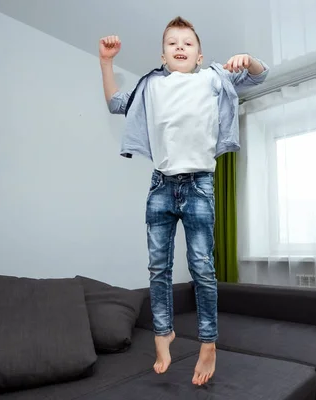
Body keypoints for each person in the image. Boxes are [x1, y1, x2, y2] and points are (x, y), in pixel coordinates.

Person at [98, 17, 269, 386]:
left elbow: (259, 75)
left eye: (187, 43)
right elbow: (115, 103)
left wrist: (247, 58)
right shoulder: (152, 85)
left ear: (199, 54)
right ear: (163, 55)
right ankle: (164, 334)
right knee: (158, 267)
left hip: (199, 186)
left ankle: (209, 342)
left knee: (202, 267)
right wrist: (106, 62)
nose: (180, 46)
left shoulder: (212, 78)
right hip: (160, 186)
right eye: (172, 42)